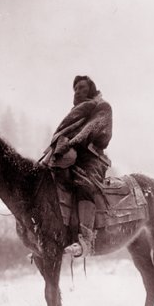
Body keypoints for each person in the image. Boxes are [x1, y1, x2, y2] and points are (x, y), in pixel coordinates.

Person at [49, 75, 113, 257]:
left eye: (82, 88)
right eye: (76, 88)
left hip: (92, 158)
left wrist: (70, 144)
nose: (78, 91)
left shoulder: (102, 107)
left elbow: (92, 129)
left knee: (85, 185)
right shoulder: (75, 113)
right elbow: (63, 134)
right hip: (71, 156)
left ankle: (86, 239)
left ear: (91, 89)